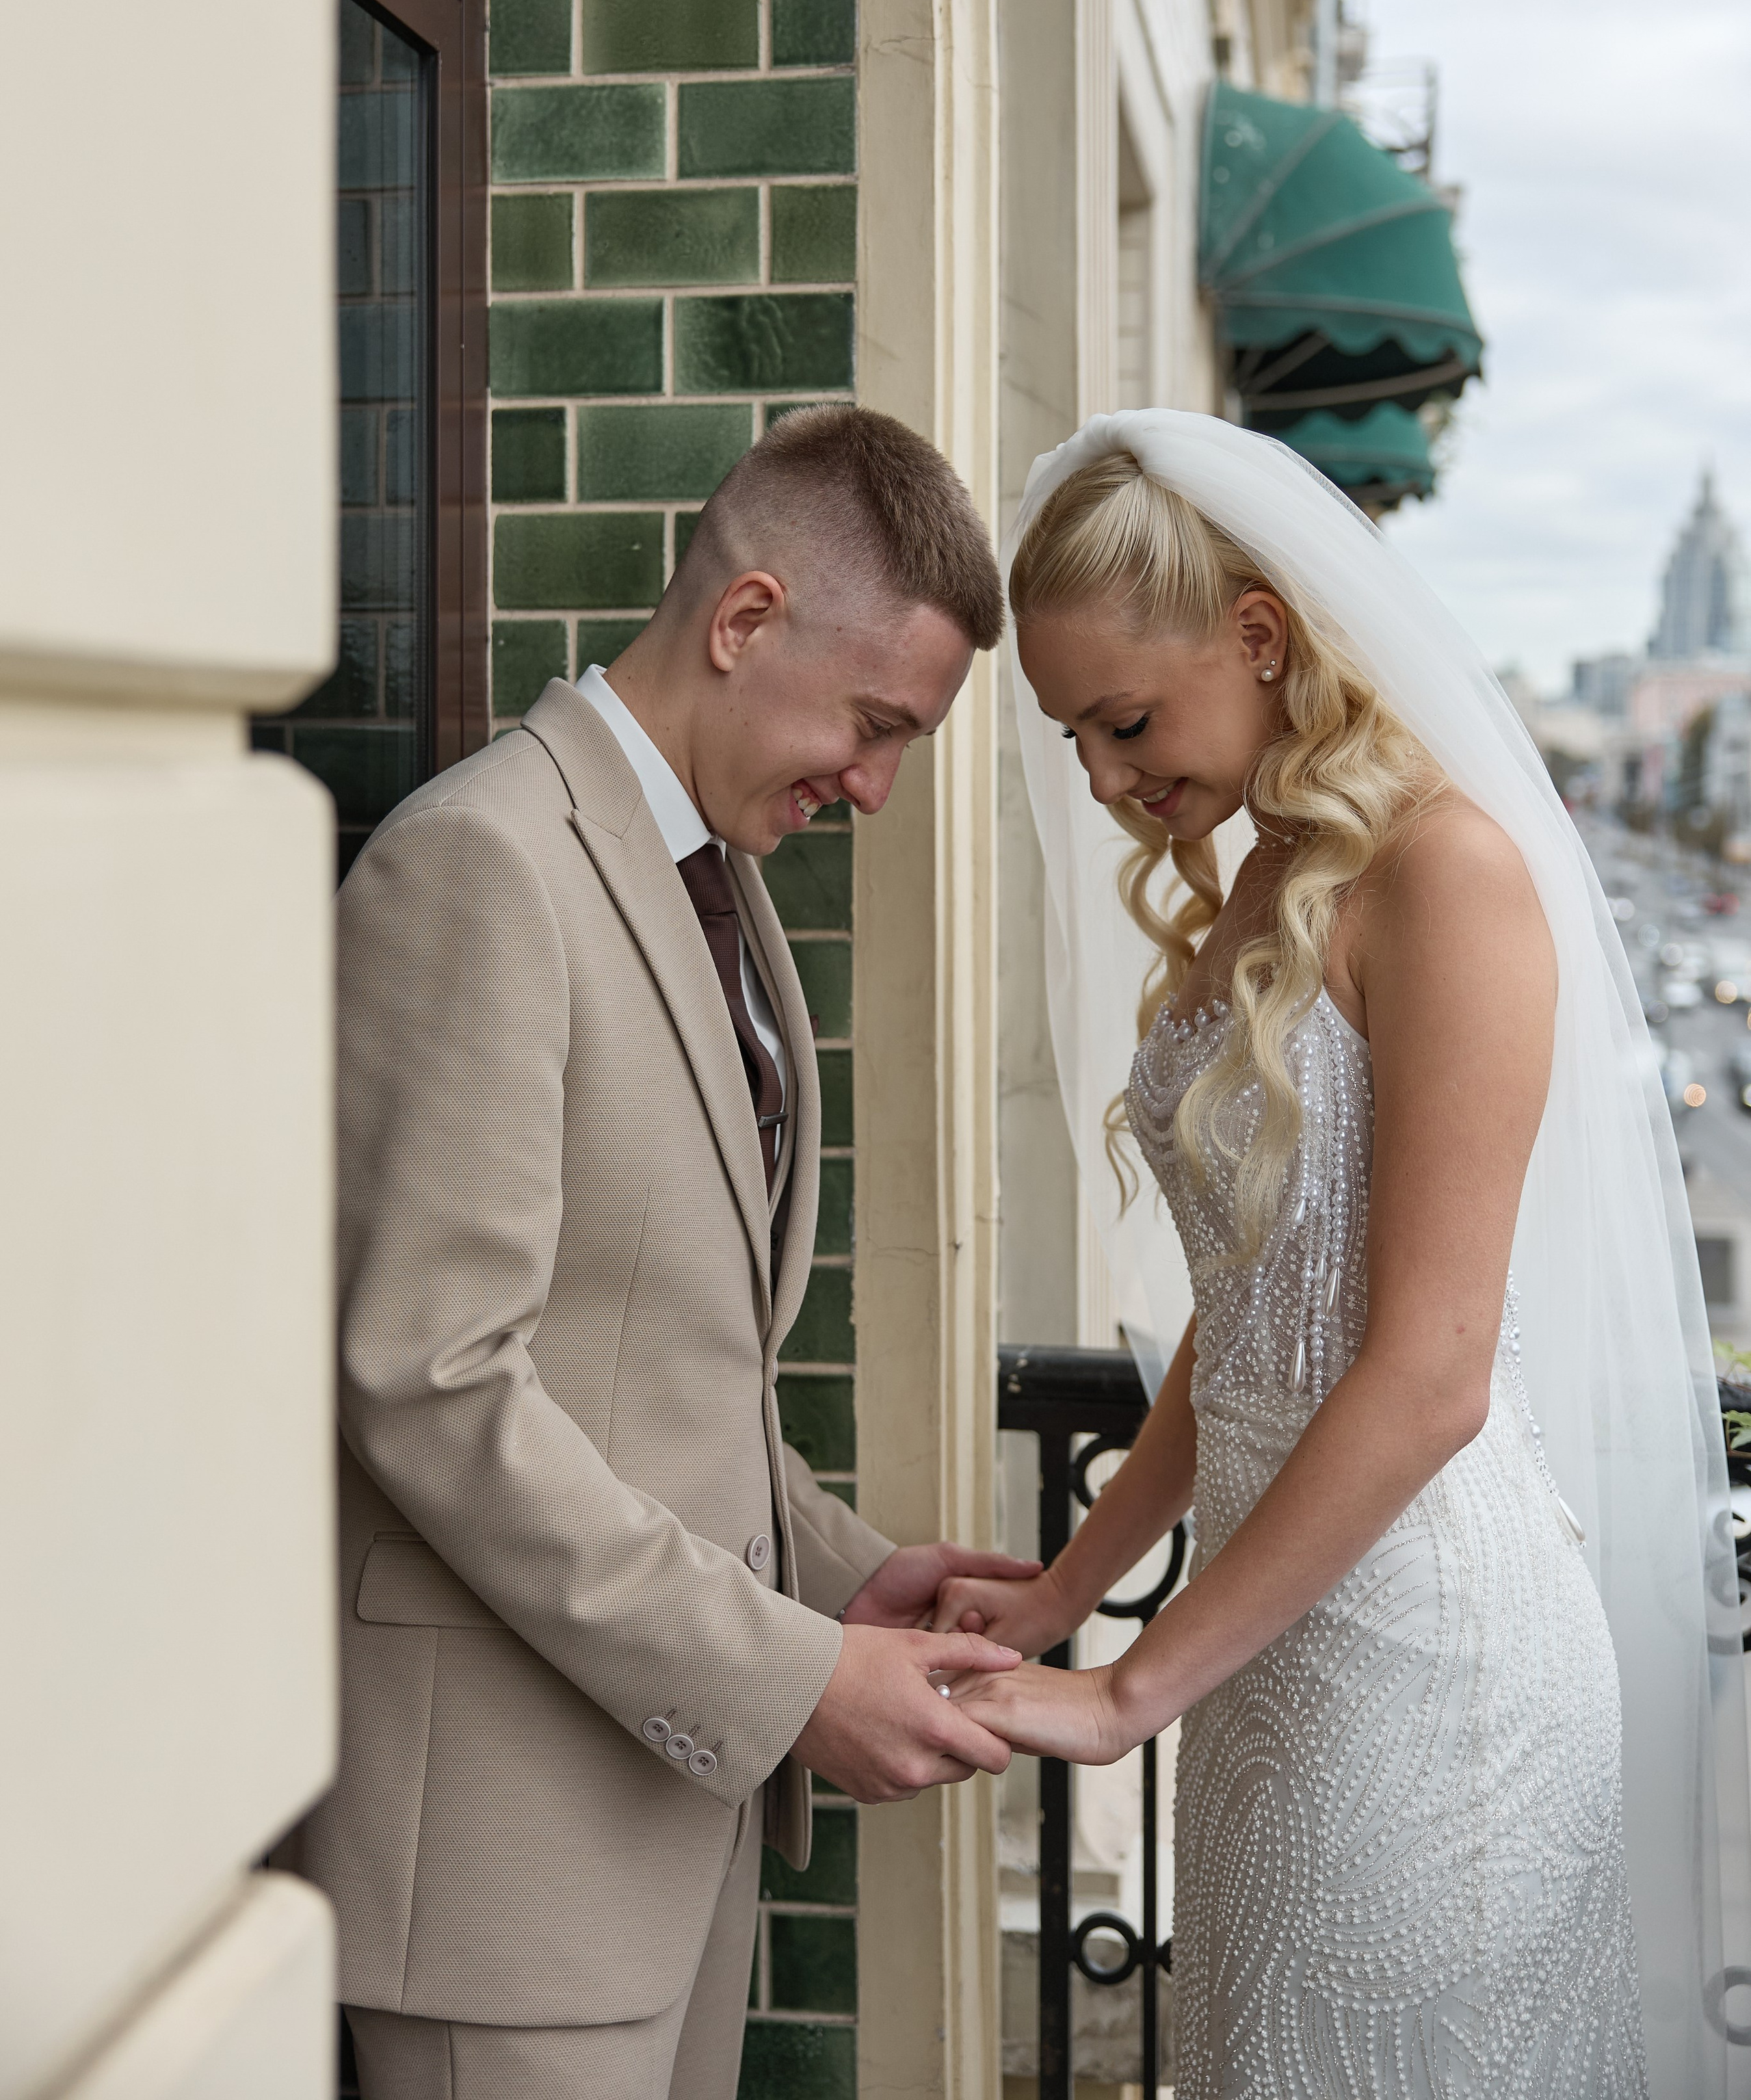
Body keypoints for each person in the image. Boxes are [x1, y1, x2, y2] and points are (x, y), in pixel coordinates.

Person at [936, 413, 1751, 2098]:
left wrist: (1118, 1696)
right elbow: (1247, 1337)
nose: (1100, 778)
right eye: (1073, 735)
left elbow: (1432, 1375)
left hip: (1430, 1672)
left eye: (1126, 720)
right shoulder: (1259, 894)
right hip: (1262, 1647)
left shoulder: (1445, 877)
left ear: (1255, 635)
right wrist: (1064, 1601)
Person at [275, 406, 1040, 2100]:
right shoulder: (480, 865)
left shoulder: (713, 885)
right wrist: (787, 1678)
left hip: (664, 1838)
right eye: (873, 722)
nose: (875, 786)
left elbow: (642, 1362)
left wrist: (837, 1577)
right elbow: (429, 1381)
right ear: (745, 620)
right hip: (504, 1863)